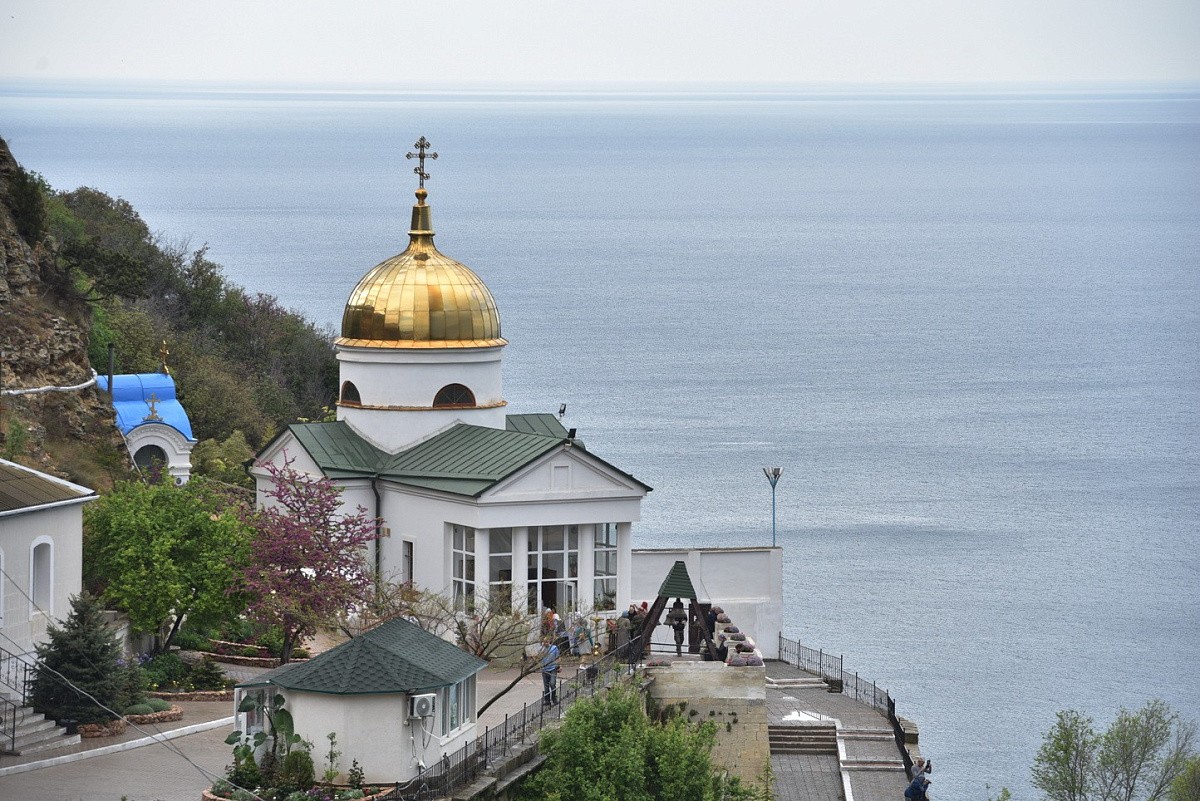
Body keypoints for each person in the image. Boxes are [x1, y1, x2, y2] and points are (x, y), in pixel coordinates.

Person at [540, 636, 559, 706]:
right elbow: (537, 657)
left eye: (547, 642)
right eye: (544, 642)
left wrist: (559, 666)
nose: (545, 643)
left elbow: (558, 657)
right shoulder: (541, 649)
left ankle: (554, 698)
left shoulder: (554, 648)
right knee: (546, 686)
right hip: (544, 669)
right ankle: (547, 700)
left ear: (549, 641)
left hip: (553, 668)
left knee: (552, 683)